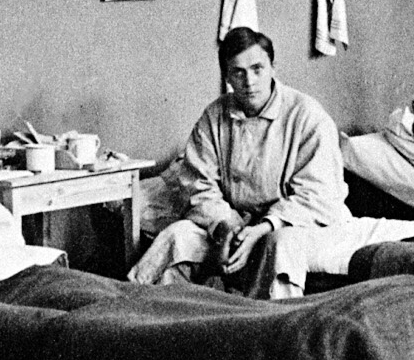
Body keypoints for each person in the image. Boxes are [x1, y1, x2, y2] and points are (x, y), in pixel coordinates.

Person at [130, 25, 347, 286]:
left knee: (278, 246)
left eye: (257, 69)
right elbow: (198, 183)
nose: (249, 81)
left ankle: (264, 312)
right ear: (227, 77)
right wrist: (226, 227)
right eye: (238, 72)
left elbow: (318, 195)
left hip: (293, 224)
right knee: (177, 236)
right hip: (234, 224)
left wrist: (263, 228)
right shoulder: (214, 116)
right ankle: (141, 305)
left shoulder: (307, 117)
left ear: (273, 68)